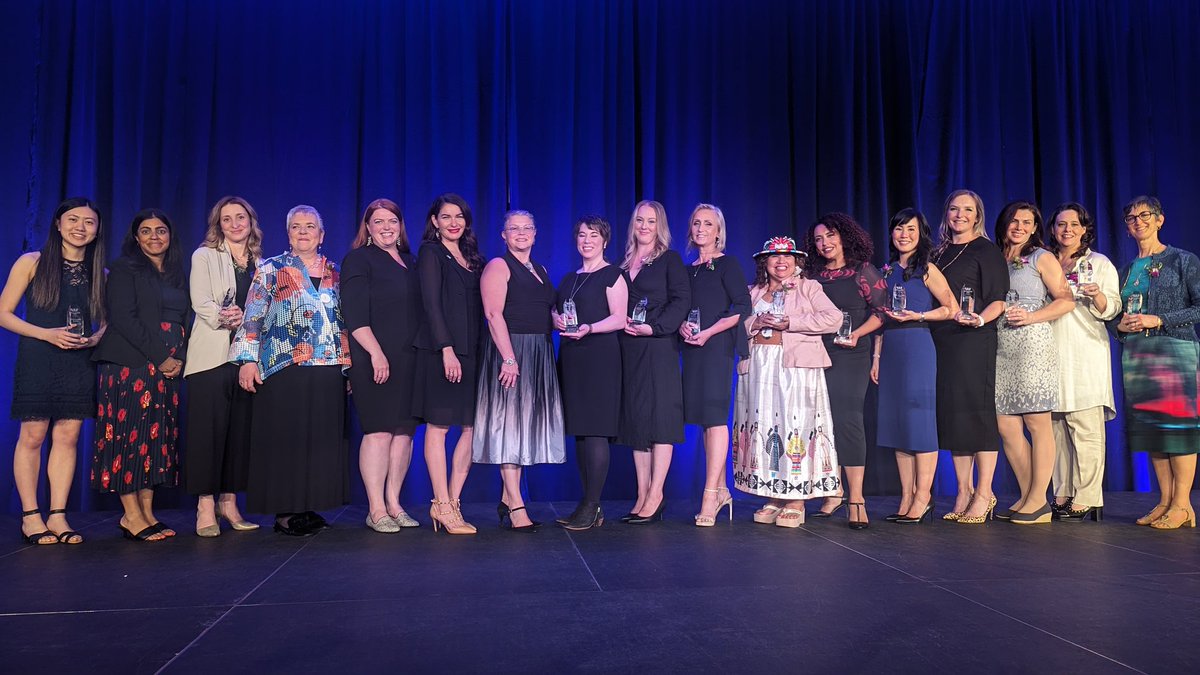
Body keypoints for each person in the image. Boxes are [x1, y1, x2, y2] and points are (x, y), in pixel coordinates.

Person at [231, 205, 351, 536]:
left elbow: (344, 322)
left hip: (327, 364)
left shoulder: (336, 272)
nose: (303, 231)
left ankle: (309, 505)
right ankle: (285, 512)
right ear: (288, 234)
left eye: (310, 226)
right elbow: (253, 314)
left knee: (318, 439)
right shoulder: (271, 268)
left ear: (322, 235)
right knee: (286, 439)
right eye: (296, 226)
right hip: (283, 364)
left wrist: (349, 365)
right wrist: (247, 359)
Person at [0, 197, 105, 545]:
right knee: (32, 437)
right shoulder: (31, 262)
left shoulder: (99, 272)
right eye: (73, 220)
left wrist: (95, 338)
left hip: (77, 360)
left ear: (97, 230)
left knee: (68, 437)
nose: (80, 227)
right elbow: (4, 313)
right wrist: (45, 333)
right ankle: (31, 515)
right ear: (58, 224)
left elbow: (107, 321)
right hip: (38, 356)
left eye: (88, 222)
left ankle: (58, 514)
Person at [91, 209, 187, 542]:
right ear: (136, 237)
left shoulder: (176, 272)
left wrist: (179, 358)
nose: (154, 237)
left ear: (170, 235)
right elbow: (124, 318)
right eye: (145, 231)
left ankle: (147, 513)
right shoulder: (123, 268)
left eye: (161, 230)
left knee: (154, 440)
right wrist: (162, 357)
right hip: (130, 364)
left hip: (169, 366)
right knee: (127, 437)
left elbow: (186, 320)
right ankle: (130, 515)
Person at [733, 237, 842, 527]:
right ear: (764, 263)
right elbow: (737, 325)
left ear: (797, 262)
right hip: (759, 366)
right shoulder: (753, 292)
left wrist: (790, 322)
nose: (781, 262)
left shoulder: (808, 287)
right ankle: (774, 493)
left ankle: (796, 498)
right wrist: (753, 324)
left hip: (796, 367)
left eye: (787, 257)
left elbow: (834, 318)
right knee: (767, 426)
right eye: (774, 258)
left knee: (796, 426)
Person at [1111, 195, 1200, 530]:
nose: (1138, 221)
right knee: (1153, 433)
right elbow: (1116, 316)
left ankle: (1182, 504)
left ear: (1160, 219)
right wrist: (1119, 326)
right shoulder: (1126, 270)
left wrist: (1157, 319)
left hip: (1176, 351)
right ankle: (1164, 501)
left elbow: (1199, 307)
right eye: (1131, 217)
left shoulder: (1182, 260)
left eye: (1145, 215)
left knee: (1178, 432)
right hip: (1138, 356)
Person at [473, 209, 565, 531]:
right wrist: (510, 359)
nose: (521, 233)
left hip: (538, 351)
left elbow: (542, 308)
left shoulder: (538, 268)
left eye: (527, 228)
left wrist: (558, 322)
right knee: (510, 430)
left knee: (523, 428)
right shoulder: (499, 266)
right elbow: (493, 314)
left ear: (536, 233)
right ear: (504, 234)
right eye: (514, 229)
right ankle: (516, 505)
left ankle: (506, 497)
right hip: (511, 351)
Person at [928, 190, 1010, 525]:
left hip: (975, 340)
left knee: (977, 416)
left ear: (978, 215)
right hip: (945, 341)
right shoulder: (939, 251)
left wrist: (979, 319)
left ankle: (985, 492)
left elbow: (998, 300)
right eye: (953, 208)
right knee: (955, 417)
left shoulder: (986, 250)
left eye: (968, 209)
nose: (960, 214)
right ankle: (962, 491)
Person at [872, 208, 958, 524]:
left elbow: (951, 308)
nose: (904, 235)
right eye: (898, 229)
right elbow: (880, 318)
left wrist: (919, 316)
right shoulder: (886, 271)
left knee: (919, 424)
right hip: (892, 347)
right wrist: (877, 356)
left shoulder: (928, 269)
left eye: (910, 229)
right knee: (898, 426)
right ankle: (906, 496)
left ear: (920, 233)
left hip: (918, 344)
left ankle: (924, 497)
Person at [343, 199, 423, 533]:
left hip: (410, 358)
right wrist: (376, 353)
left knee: (404, 432)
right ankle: (375, 508)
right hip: (374, 356)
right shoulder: (359, 259)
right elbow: (354, 313)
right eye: (379, 222)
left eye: (392, 221)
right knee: (378, 431)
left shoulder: (411, 260)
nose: (386, 227)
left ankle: (394, 502)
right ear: (368, 227)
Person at [992, 201, 1075, 524]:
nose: (1020, 227)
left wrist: (1031, 316)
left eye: (1027, 222)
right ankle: (1030, 496)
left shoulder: (1042, 257)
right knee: (1006, 425)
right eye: (1014, 220)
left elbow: (1065, 301)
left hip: (1032, 345)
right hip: (1000, 346)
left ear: (1035, 227)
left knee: (1036, 423)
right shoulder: (997, 256)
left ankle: (1039, 500)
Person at [185, 196, 262, 537]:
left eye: (240, 217)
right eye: (227, 218)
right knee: (208, 434)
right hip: (211, 357)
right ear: (218, 224)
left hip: (248, 359)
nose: (234, 223)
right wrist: (225, 316)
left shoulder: (262, 262)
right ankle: (204, 505)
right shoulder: (204, 256)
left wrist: (251, 321)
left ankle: (229, 502)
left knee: (239, 434)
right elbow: (200, 301)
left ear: (251, 221)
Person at [804, 213, 887, 529]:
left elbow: (882, 312)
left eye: (830, 236)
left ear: (845, 236)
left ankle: (857, 498)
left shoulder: (862, 271)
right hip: (816, 354)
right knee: (821, 423)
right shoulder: (812, 276)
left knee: (848, 421)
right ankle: (832, 490)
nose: (825, 243)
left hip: (851, 354)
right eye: (818, 239)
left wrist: (858, 334)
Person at [412, 194, 485, 535]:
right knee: (439, 427)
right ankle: (439, 502)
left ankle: (452, 504)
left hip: (473, 351)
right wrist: (446, 349)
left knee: (471, 428)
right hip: (443, 352)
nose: (453, 222)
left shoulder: (473, 257)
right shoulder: (430, 253)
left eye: (459, 216)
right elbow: (431, 304)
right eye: (446, 216)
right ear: (434, 221)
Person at [552, 215, 628, 530]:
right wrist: (555, 319)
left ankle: (592, 504)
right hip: (572, 358)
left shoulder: (613, 275)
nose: (587, 240)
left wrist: (589, 328)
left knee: (595, 431)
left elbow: (620, 318)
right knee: (581, 433)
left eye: (593, 235)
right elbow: (557, 311)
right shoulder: (570, 278)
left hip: (600, 358)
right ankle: (588, 505)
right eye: (582, 235)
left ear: (605, 241)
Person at [1046, 202, 1120, 521]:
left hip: (1084, 351)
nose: (1067, 230)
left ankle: (1089, 495)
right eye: (1062, 225)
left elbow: (1112, 307)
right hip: (1050, 351)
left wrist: (1096, 295)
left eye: (1074, 225)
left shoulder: (1098, 263)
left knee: (1085, 427)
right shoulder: (1045, 261)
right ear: (1052, 229)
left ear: (1085, 229)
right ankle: (1062, 490)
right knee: (1056, 427)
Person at [617, 200, 690, 524]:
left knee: (660, 420)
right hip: (629, 348)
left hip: (659, 345)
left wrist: (655, 327)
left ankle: (656, 494)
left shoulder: (669, 260)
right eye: (639, 220)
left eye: (651, 221)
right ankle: (642, 492)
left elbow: (681, 301)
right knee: (637, 422)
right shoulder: (623, 263)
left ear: (659, 225)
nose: (644, 226)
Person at [679, 204, 750, 527]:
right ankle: (720, 490)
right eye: (696, 223)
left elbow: (742, 307)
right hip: (692, 349)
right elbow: (681, 306)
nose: (701, 228)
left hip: (717, 347)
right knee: (705, 421)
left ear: (719, 231)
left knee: (715, 417)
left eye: (708, 224)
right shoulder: (687, 268)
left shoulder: (727, 264)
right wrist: (682, 324)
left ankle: (710, 494)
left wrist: (708, 332)